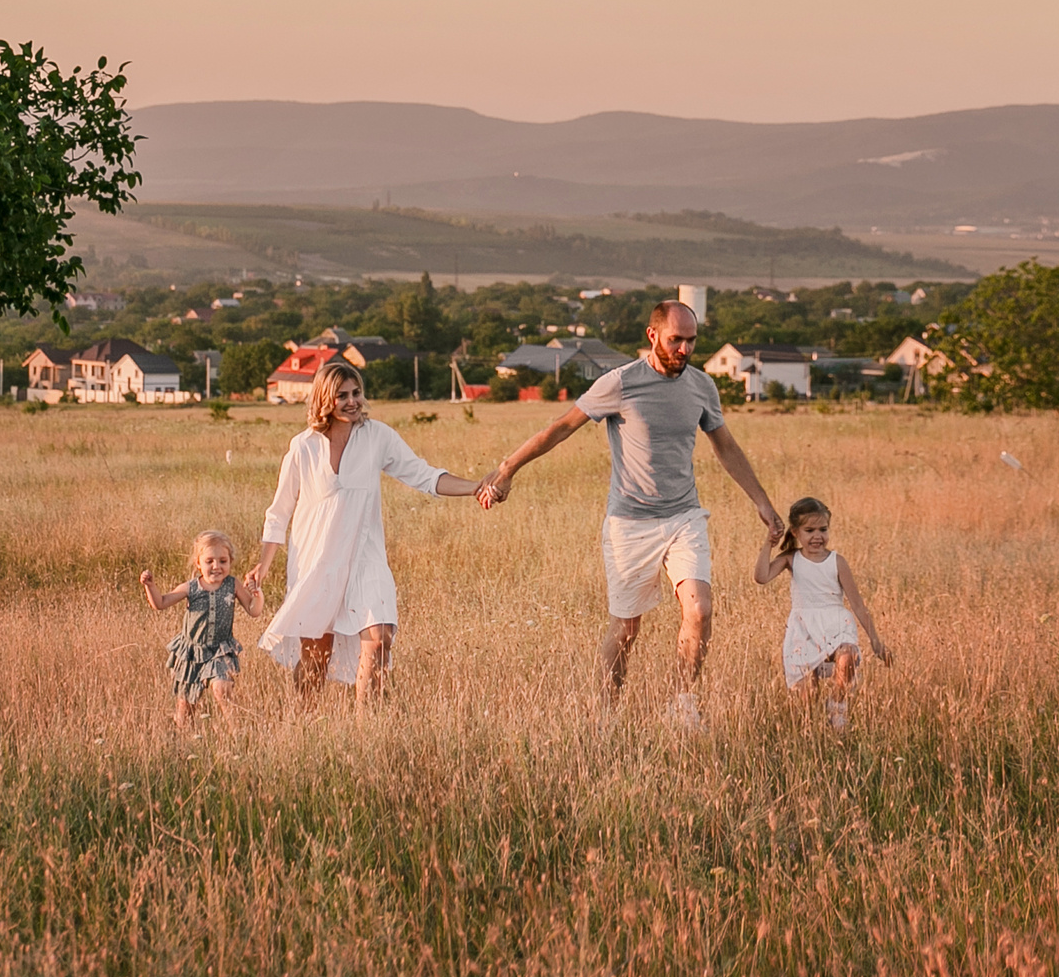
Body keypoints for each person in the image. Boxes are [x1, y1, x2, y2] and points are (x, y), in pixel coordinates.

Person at [476, 300, 782, 727]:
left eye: (692, 340)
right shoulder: (619, 384)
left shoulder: (701, 387)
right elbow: (561, 428)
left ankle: (683, 705)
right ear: (653, 336)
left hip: (683, 516)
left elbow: (726, 446)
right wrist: (508, 469)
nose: (685, 349)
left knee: (699, 610)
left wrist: (762, 503)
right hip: (630, 523)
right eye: (676, 340)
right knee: (626, 629)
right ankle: (605, 716)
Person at [249, 359, 483, 707]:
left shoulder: (378, 437)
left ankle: (366, 727)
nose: (352, 401)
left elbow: (424, 475)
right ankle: (304, 723)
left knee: (380, 637)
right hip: (318, 562)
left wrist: (476, 487)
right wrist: (263, 566)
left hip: (365, 557)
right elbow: (279, 512)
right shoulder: (304, 446)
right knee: (316, 655)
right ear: (323, 399)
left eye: (356, 393)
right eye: (341, 395)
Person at [753, 495, 889, 730]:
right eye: (810, 530)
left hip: (835, 623)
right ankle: (812, 734)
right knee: (807, 698)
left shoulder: (837, 561)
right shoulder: (791, 558)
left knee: (849, 656)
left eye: (823, 529)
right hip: (804, 629)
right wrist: (769, 543)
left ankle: (837, 706)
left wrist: (875, 641)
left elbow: (857, 604)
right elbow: (761, 577)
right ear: (795, 532)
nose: (817, 536)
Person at [140, 530, 262, 731]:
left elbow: (253, 610)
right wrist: (150, 587)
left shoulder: (232, 585)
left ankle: (237, 733)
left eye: (223, 561)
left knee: (222, 688)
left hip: (219, 650)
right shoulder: (191, 588)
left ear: (230, 562)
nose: (216, 566)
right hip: (192, 652)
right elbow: (160, 603)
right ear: (198, 563)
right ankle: (181, 741)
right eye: (209, 561)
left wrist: (258, 594)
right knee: (185, 708)